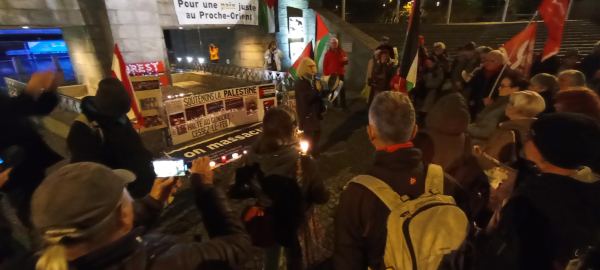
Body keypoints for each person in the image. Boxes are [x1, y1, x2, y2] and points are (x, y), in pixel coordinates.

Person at [9, 158, 251, 270]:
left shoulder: (31, 263)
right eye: (125, 195)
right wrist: (205, 189)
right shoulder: (166, 260)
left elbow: (107, 234)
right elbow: (237, 245)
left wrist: (153, 203)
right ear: (123, 216)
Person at [333, 92, 466, 270]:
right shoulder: (447, 183)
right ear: (414, 132)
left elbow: (347, 262)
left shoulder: (355, 196)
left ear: (371, 133)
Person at [474, 113, 600, 270]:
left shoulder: (533, 201)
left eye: (530, 136)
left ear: (546, 153)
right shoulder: (590, 190)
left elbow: (502, 257)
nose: (525, 140)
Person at [229, 106, 329, 270]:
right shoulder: (304, 161)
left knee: (271, 257)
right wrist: (326, 196)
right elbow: (319, 194)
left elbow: (231, 188)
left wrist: (258, 192)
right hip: (294, 220)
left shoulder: (250, 157)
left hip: (268, 218)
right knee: (295, 257)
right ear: (292, 131)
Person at [66, 78, 155, 199]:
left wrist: (145, 157)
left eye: (124, 113)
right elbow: (88, 175)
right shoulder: (83, 130)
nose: (123, 117)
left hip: (143, 189)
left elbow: (131, 144)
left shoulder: (118, 116)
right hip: (122, 197)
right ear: (106, 112)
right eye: (119, 114)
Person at [0, 71, 63, 227]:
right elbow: (11, 110)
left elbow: (35, 109)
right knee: (29, 208)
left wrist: (50, 90)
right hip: (10, 165)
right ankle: (42, 240)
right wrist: (30, 91)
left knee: (45, 201)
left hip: (28, 158)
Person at [474, 91, 545, 172]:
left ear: (517, 109)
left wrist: (477, 154)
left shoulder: (510, 132)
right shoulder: (534, 130)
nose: (507, 105)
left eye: (510, 103)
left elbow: (489, 162)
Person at [467, 71, 529, 141]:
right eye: (499, 85)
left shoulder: (508, 107)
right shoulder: (499, 101)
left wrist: (467, 127)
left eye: (503, 86)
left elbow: (488, 132)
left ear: (516, 89)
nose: (499, 88)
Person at [295, 58, 326, 156]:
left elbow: (316, 95)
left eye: (314, 66)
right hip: (307, 113)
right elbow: (307, 98)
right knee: (309, 135)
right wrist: (317, 90)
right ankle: (309, 154)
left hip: (313, 112)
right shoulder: (300, 82)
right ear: (304, 68)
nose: (313, 69)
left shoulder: (311, 80)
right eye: (310, 66)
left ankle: (312, 152)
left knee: (315, 132)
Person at [465, 50, 505, 120]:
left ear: (500, 62)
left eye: (491, 61)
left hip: (493, 114)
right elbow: (472, 88)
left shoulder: (505, 75)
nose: (487, 63)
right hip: (476, 107)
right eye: (486, 60)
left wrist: (494, 102)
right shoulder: (479, 73)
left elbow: (506, 97)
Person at [418, 55, 445, 124]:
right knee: (422, 107)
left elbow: (437, 82)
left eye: (429, 62)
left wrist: (427, 84)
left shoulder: (438, 70)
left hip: (432, 91)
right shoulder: (427, 69)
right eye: (427, 62)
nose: (427, 64)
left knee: (427, 107)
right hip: (424, 91)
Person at [323, 38, 348, 110]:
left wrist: (345, 60)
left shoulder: (342, 52)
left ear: (337, 44)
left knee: (342, 90)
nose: (334, 45)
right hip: (332, 75)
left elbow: (346, 63)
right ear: (331, 44)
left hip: (340, 74)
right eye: (332, 44)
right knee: (333, 90)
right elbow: (325, 65)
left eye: (335, 43)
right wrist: (326, 75)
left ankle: (343, 104)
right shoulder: (327, 53)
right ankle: (335, 104)